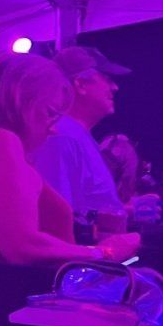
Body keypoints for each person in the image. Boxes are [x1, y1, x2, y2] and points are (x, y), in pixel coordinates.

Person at [0, 52, 139, 265]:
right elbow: (22, 246)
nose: (53, 130)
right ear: (20, 99)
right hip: (3, 295)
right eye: (50, 112)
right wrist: (104, 252)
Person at [28, 45, 130, 218]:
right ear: (80, 84)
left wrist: (122, 211)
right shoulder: (61, 137)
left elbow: (83, 207)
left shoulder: (75, 135)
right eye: (106, 78)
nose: (115, 87)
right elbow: (55, 219)